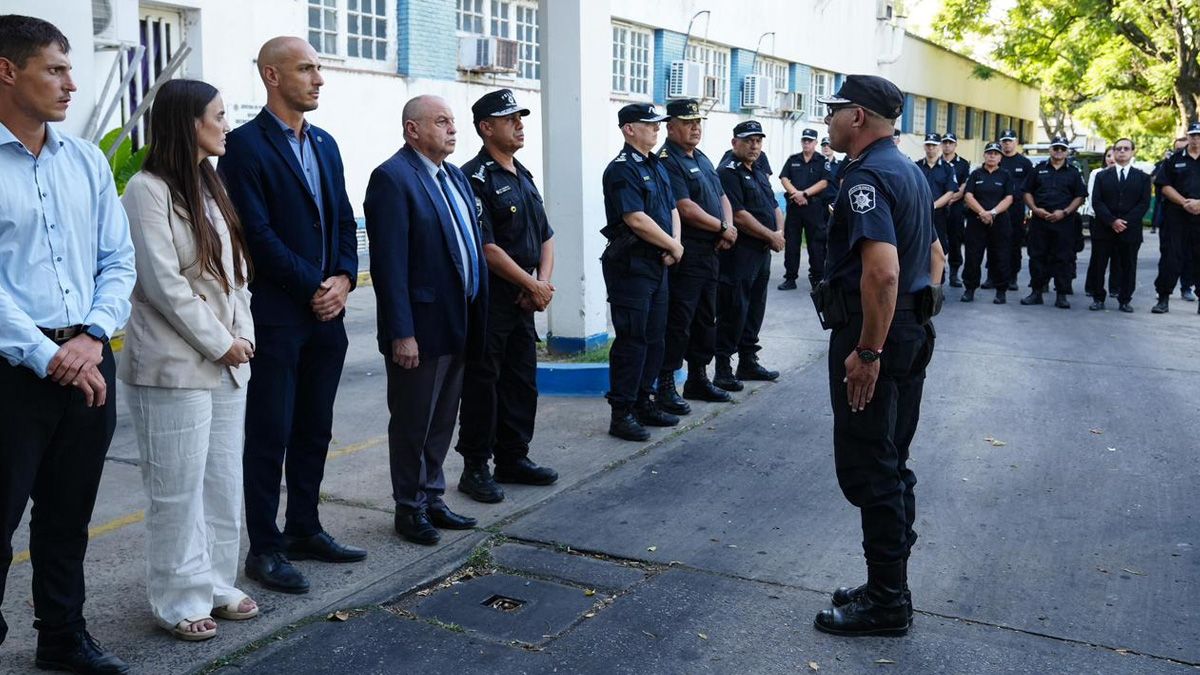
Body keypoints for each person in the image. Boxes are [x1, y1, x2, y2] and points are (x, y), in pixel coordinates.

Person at [0, 15, 135, 673]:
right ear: (7, 70)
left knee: (68, 515)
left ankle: (63, 637)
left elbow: (118, 258)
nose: (70, 84)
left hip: (87, 363)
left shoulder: (84, 159)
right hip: (11, 371)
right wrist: (45, 351)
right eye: (54, 68)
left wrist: (89, 335)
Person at [218, 36, 365, 595]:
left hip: (329, 314)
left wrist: (345, 279)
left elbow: (346, 220)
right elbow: (256, 233)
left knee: (315, 429)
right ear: (272, 76)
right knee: (270, 433)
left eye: (319, 68)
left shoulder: (325, 143)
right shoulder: (243, 146)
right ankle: (265, 547)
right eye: (306, 69)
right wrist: (314, 285)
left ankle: (305, 528)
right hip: (280, 314)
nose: (319, 78)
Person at [119, 79, 259, 641]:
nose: (226, 125)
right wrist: (220, 341)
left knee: (223, 480)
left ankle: (217, 583)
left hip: (227, 361)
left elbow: (237, 274)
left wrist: (241, 337)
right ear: (187, 122)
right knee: (176, 487)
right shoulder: (146, 190)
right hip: (174, 365)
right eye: (218, 116)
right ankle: (179, 597)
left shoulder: (210, 183)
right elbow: (161, 283)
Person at [811, 74, 942, 637]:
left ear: (858, 116)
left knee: (872, 466)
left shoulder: (867, 176)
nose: (829, 120)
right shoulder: (907, 168)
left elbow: (883, 270)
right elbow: (934, 256)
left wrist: (869, 350)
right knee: (891, 459)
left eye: (836, 110)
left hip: (876, 336)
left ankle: (888, 603)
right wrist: (913, 321)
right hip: (906, 330)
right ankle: (889, 585)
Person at [364, 95, 487, 543]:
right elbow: (389, 265)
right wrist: (402, 332)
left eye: (453, 121)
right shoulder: (392, 178)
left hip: (459, 322)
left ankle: (433, 497)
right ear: (412, 130)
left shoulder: (453, 175)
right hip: (420, 329)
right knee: (413, 421)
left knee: (441, 420)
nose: (453, 129)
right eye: (441, 121)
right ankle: (408, 507)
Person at [454, 89, 558, 504]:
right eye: (509, 118)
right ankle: (475, 466)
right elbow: (485, 247)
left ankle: (514, 458)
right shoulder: (473, 178)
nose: (519, 125)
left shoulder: (524, 175)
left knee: (521, 382)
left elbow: (546, 235)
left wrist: (542, 285)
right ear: (486, 127)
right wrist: (528, 285)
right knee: (484, 384)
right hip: (493, 301)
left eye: (520, 118)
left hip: (526, 300)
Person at [599, 103, 682, 441]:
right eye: (649, 124)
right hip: (631, 267)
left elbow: (672, 208)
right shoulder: (621, 170)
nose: (657, 129)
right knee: (632, 340)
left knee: (654, 336)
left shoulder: (656, 165)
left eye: (657, 124)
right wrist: (673, 247)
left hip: (657, 263)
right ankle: (622, 412)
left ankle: (644, 401)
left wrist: (674, 243)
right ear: (628, 129)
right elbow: (635, 219)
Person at [655, 98, 737, 413]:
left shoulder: (701, 158)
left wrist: (726, 228)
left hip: (712, 251)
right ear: (670, 126)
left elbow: (721, 196)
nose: (695, 128)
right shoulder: (667, 160)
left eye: (698, 122)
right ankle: (665, 385)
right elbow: (685, 208)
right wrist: (722, 228)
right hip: (687, 253)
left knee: (706, 317)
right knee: (680, 319)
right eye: (688, 123)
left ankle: (698, 377)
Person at [715, 120, 784, 392]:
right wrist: (772, 235)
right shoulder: (728, 171)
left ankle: (748, 361)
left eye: (758, 140)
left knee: (755, 307)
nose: (754, 145)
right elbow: (740, 216)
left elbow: (772, 204)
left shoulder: (757, 169)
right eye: (748, 140)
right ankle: (722, 369)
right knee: (734, 308)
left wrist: (779, 231)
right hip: (740, 254)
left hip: (762, 252)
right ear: (735, 143)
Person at [1020, 136, 1086, 309]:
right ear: (1050, 149)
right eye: (1055, 148)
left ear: (1067, 152)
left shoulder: (1073, 172)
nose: (1058, 152)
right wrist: (1035, 209)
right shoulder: (1038, 169)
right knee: (1037, 256)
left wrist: (1064, 212)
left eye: (1062, 149)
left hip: (1064, 222)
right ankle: (1036, 292)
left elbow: (1080, 196)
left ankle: (1062, 295)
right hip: (1040, 220)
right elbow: (1026, 191)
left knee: (1063, 258)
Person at [1086, 138, 1150, 313]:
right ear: (1113, 152)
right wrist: (1112, 221)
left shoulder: (1142, 178)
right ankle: (1098, 298)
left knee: (1128, 265)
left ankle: (1125, 299)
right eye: (1118, 148)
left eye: (1126, 148)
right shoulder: (1101, 176)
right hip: (1104, 228)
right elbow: (1097, 201)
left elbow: (1143, 204)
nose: (1122, 151)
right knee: (1100, 264)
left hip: (1130, 230)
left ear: (1132, 152)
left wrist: (1124, 222)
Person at [1151, 123, 1200, 314]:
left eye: (1199, 136)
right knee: (1170, 257)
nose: (1196, 139)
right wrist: (1185, 203)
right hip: (1176, 216)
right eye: (1193, 135)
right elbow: (1163, 185)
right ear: (1187, 136)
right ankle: (1163, 298)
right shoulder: (1174, 159)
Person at [961, 142, 1015, 303]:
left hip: (999, 222)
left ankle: (1001, 290)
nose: (992, 156)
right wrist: (982, 212)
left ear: (1000, 157)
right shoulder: (976, 174)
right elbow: (968, 196)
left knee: (1001, 256)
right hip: (976, 221)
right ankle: (970, 289)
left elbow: (1009, 198)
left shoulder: (1005, 175)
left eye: (996, 153)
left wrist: (992, 213)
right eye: (989, 153)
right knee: (973, 256)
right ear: (984, 155)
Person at [778, 128, 832, 290]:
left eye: (810, 140)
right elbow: (784, 178)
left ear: (815, 143)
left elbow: (824, 182)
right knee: (792, 243)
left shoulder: (822, 161)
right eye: (804, 140)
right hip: (795, 206)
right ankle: (790, 278)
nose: (806, 143)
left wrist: (805, 193)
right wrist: (796, 193)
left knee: (816, 244)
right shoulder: (793, 159)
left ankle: (817, 278)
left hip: (814, 207)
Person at [997, 129, 1034, 291]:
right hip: (997, 208)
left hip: (1017, 209)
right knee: (995, 244)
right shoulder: (996, 159)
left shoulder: (1024, 163)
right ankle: (994, 276)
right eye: (1004, 141)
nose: (1007, 143)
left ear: (1016, 142)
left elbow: (1030, 188)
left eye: (1010, 140)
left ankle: (1012, 277)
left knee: (1014, 243)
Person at [915, 133, 958, 267]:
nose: (931, 148)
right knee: (918, 247)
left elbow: (950, 192)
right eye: (928, 145)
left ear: (939, 147)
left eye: (934, 145)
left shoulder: (947, 168)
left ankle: (937, 281)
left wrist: (932, 206)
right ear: (924, 146)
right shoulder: (916, 166)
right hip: (919, 214)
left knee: (939, 248)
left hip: (938, 214)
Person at [940, 133, 971, 287]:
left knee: (955, 240)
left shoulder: (963, 164)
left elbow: (964, 186)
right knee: (938, 241)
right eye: (944, 142)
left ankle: (954, 274)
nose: (947, 146)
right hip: (939, 210)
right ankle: (939, 274)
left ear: (955, 145)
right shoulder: (935, 162)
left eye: (950, 143)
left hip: (955, 208)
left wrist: (950, 198)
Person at [820, 137, 842, 209]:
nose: (826, 147)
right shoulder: (816, 165)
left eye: (828, 145)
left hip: (834, 202)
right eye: (824, 145)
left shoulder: (840, 165)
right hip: (819, 203)